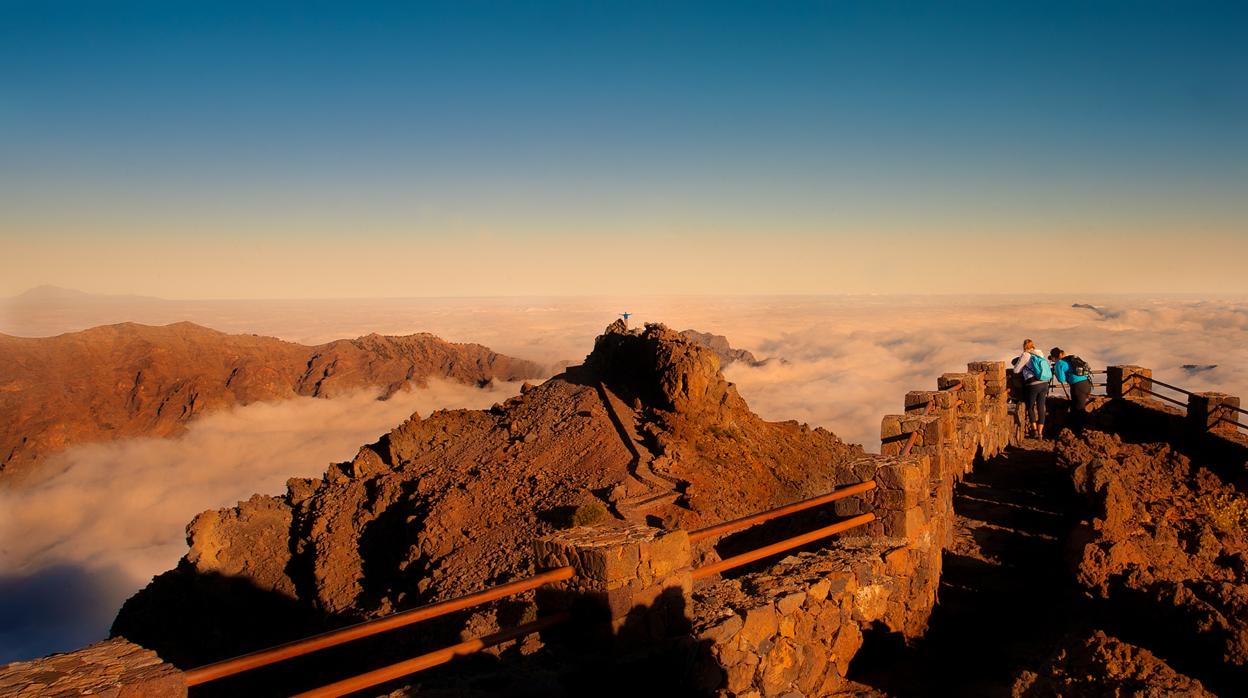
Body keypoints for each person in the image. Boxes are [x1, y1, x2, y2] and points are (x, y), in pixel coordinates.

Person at [1011, 339, 1051, 438]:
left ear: (1024, 346)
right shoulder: (1040, 354)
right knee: (1041, 408)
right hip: (1045, 383)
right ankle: (1041, 433)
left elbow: (1016, 370)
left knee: (1030, 406)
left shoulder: (1026, 355)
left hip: (1033, 384)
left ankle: (1035, 430)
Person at [1050, 347, 1092, 429]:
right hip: (1087, 383)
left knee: (1079, 409)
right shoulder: (1068, 359)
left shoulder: (1059, 364)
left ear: (1053, 357)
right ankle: (1078, 428)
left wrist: (1056, 370)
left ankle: (1081, 430)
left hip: (1077, 386)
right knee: (1077, 407)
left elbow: (1061, 379)